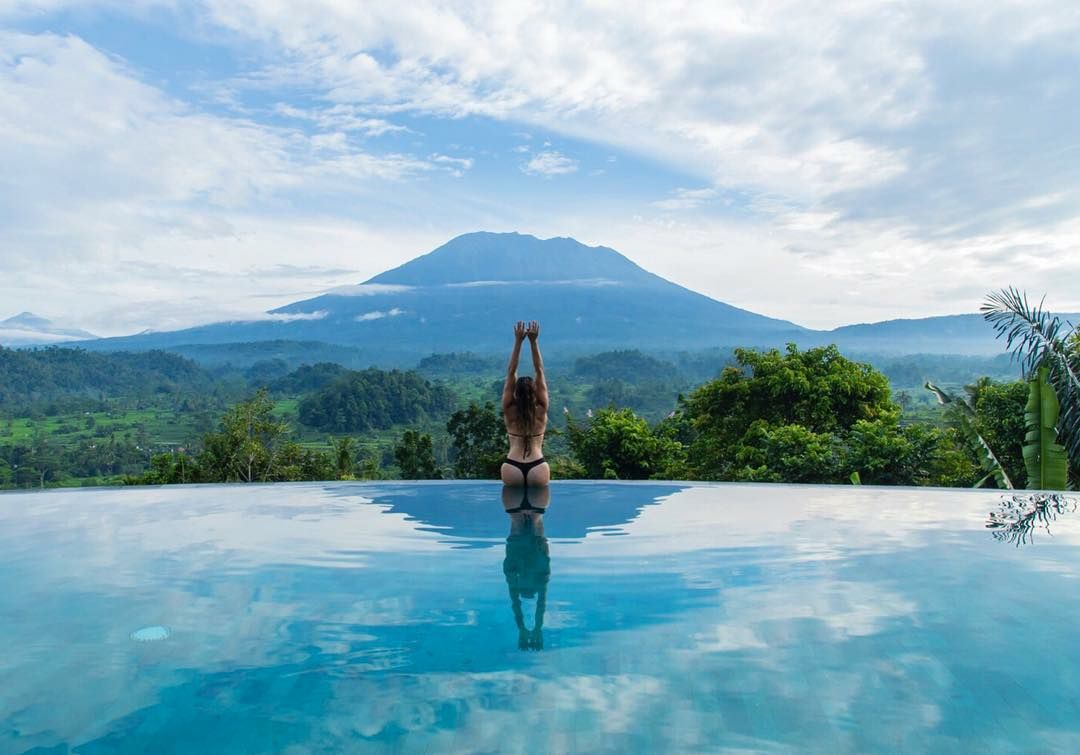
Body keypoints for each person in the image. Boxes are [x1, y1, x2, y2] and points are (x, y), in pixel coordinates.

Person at [501, 320, 550, 486]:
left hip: (512, 465)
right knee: (538, 509)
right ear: (535, 392)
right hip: (538, 465)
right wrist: (533, 341)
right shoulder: (541, 409)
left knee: (513, 511)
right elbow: (540, 370)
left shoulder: (509, 409)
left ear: (516, 392)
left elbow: (511, 371)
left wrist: (517, 341)